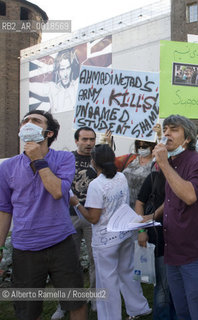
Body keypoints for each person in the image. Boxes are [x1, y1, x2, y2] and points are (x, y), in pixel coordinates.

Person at [0, 110, 87, 320]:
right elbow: (4, 210)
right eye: (25, 121)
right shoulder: (7, 167)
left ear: (48, 133)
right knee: (28, 311)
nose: (28, 124)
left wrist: (39, 160)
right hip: (24, 248)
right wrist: (0, 247)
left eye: (35, 121)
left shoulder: (64, 158)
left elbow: (58, 192)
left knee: (75, 301)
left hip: (61, 243)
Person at [71, 144, 151, 320]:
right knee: (127, 272)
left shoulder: (96, 185)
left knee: (106, 282)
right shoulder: (121, 177)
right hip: (123, 233)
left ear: (94, 162)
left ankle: (110, 316)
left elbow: (93, 218)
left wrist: (76, 203)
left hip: (105, 240)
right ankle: (138, 307)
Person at [152, 115, 198, 319]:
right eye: (166, 129)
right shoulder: (172, 163)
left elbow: (189, 196)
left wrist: (164, 165)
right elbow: (172, 199)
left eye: (174, 129)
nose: (167, 133)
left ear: (187, 138)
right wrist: (152, 216)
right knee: (182, 311)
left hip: (194, 253)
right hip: (173, 252)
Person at [52, 126, 98, 320]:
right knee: (68, 262)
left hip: (92, 217)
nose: (88, 143)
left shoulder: (99, 160)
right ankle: (65, 303)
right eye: (85, 139)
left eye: (92, 139)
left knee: (97, 259)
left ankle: (94, 298)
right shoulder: (66, 158)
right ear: (76, 140)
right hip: (69, 216)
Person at [135, 170, 176, 320]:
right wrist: (141, 229)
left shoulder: (184, 176)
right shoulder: (154, 177)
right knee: (163, 286)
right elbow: (140, 202)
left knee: (176, 286)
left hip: (180, 239)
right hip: (159, 238)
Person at [115, 139, 157, 208]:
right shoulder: (130, 158)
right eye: (139, 146)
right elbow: (112, 162)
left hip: (144, 207)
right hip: (124, 205)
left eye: (144, 147)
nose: (141, 149)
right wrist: (107, 142)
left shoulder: (157, 163)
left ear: (152, 146)